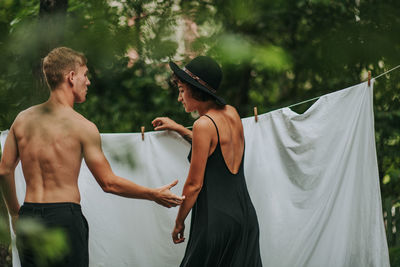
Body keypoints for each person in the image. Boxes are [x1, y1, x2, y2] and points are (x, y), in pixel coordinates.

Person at [0, 47, 184, 267]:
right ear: (71, 77)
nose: (88, 82)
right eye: (85, 75)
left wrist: (15, 213)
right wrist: (152, 194)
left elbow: (4, 169)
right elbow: (108, 183)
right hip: (64, 219)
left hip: (29, 216)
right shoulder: (82, 127)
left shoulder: (22, 119)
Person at [152, 56, 262, 266]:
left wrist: (179, 222)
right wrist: (178, 128)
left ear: (196, 90)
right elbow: (216, 147)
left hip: (216, 221)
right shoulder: (232, 113)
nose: (179, 97)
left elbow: (193, 186)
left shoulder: (204, 125)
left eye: (182, 90)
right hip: (245, 219)